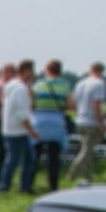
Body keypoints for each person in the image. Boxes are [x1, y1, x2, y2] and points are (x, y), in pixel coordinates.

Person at [30, 59, 72, 192]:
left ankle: (29, 183)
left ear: (47, 70)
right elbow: (71, 105)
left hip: (39, 121)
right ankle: (53, 186)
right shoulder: (65, 85)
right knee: (53, 156)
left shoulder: (38, 84)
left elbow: (31, 102)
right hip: (56, 121)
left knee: (35, 155)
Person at [0, 60, 39, 194]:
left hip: (10, 128)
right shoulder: (20, 89)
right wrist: (31, 130)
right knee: (17, 160)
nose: (33, 74)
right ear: (26, 71)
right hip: (18, 130)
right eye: (32, 71)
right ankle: (12, 187)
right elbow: (22, 112)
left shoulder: (11, 85)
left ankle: (13, 186)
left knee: (19, 159)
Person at [67, 62, 106, 186]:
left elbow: (73, 103)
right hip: (91, 121)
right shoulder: (99, 84)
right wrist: (101, 123)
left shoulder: (81, 83)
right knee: (87, 150)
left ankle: (88, 176)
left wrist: (78, 115)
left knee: (87, 150)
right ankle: (71, 174)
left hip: (80, 120)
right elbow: (96, 105)